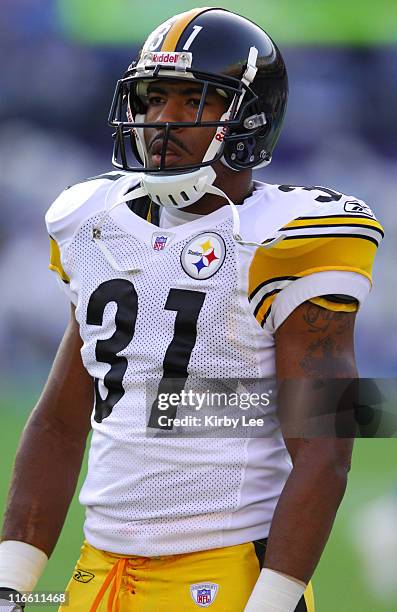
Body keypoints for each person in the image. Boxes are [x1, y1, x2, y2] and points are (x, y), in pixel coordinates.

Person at [0, 7, 383, 612]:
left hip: (227, 568)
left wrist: (273, 600)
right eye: (153, 100)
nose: (162, 122)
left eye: (191, 101)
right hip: (97, 575)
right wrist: (12, 580)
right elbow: (60, 419)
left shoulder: (290, 236)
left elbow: (327, 445)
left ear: (250, 118)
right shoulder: (90, 219)